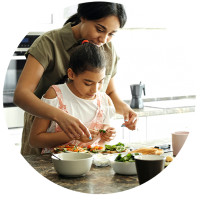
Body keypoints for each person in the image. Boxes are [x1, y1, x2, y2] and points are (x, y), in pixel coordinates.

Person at [14, 2, 138, 156]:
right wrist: (60, 116)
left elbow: (109, 92)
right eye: (100, 29)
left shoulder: (107, 48)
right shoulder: (49, 43)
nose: (104, 39)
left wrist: (126, 110)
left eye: (112, 33)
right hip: (44, 137)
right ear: (83, 18)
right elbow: (21, 95)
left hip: (86, 150)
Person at [29, 39, 116, 154]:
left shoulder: (105, 101)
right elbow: (35, 140)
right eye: (88, 83)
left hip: (91, 166)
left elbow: (102, 143)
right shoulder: (55, 95)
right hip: (57, 165)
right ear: (71, 74)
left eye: (101, 82)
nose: (95, 89)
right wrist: (73, 136)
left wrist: (108, 135)